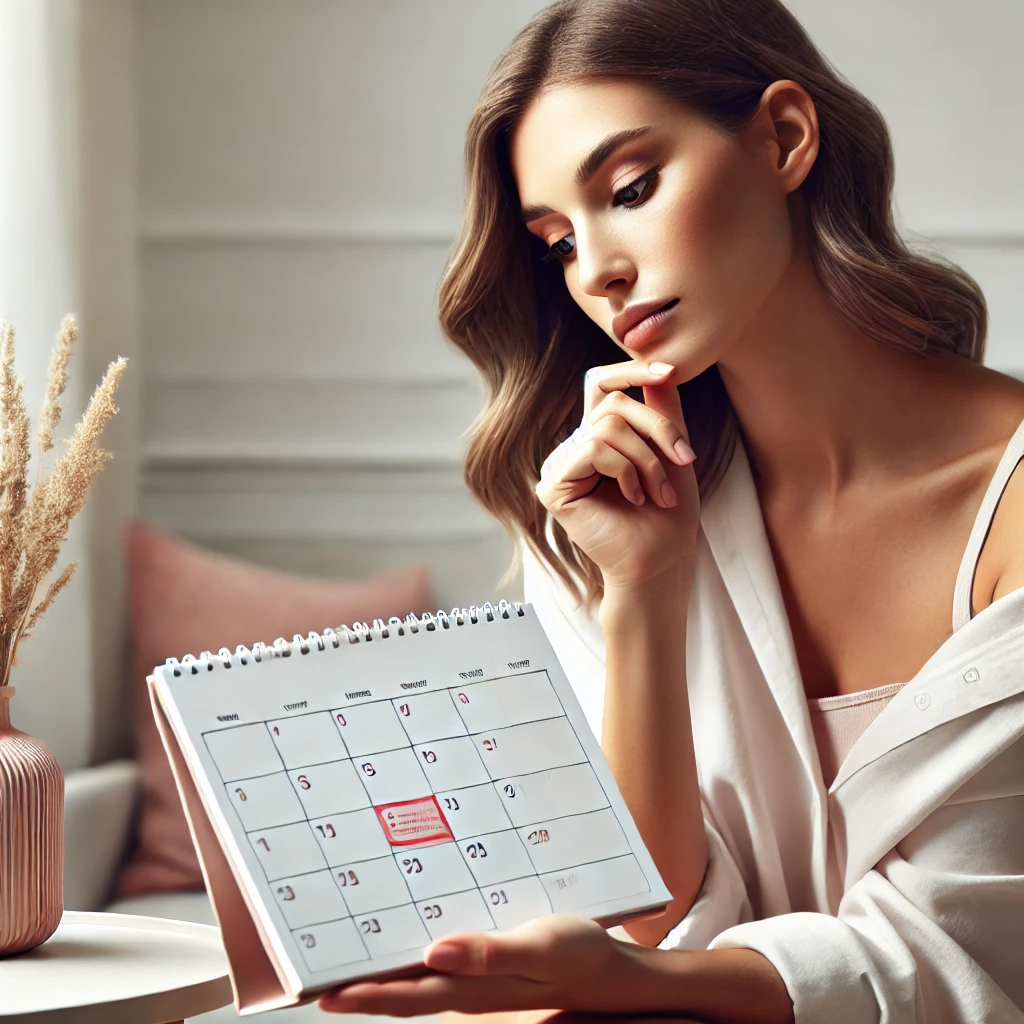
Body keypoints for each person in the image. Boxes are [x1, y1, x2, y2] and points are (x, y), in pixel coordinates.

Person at [320, 0, 1024, 1020]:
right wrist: (642, 592)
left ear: (783, 137)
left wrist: (636, 978)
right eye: (557, 240)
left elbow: (968, 955)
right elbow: (646, 916)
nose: (597, 269)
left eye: (632, 188)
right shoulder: (611, 509)